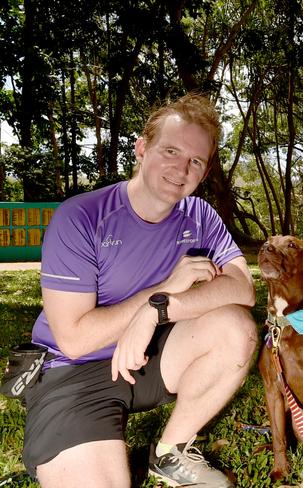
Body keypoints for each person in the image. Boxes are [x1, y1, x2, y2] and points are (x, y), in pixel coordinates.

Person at [22, 94, 257, 488]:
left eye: (195, 161)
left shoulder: (200, 216)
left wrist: (158, 310)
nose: (181, 169)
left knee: (236, 326)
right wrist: (160, 290)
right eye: (170, 150)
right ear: (142, 148)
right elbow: (75, 339)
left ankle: (171, 450)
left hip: (149, 358)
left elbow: (243, 289)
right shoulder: (81, 217)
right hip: (73, 371)